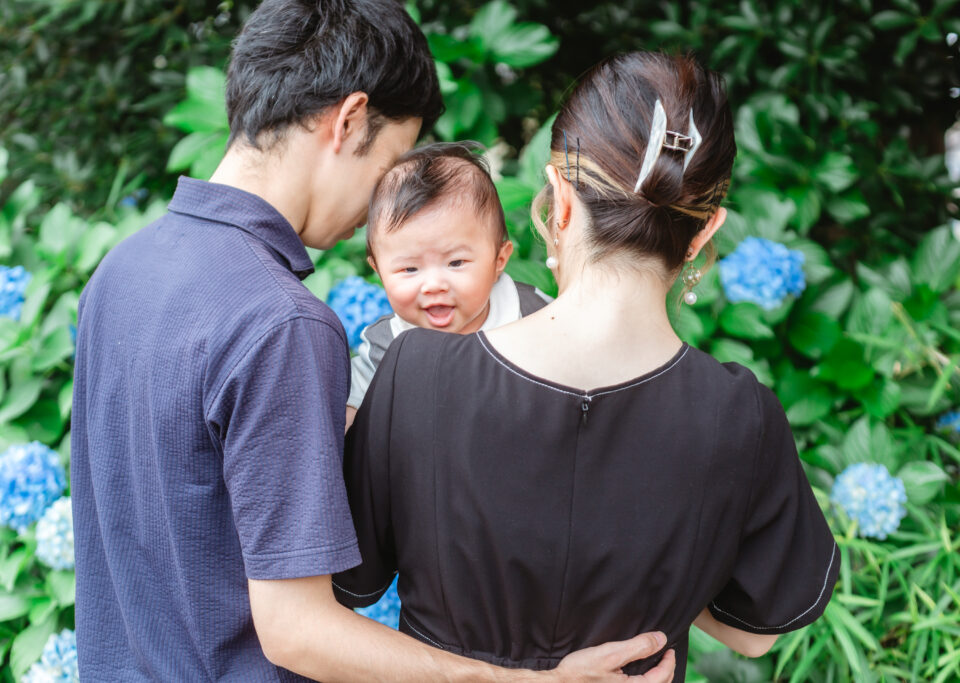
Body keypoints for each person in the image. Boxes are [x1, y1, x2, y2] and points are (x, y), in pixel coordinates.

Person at [71, 0, 675, 680]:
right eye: (390, 161)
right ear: (350, 119)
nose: (376, 207)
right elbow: (297, 632)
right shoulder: (281, 323)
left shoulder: (121, 271)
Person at [333, 51, 840, 682]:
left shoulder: (416, 372)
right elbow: (753, 632)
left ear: (561, 201)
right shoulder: (741, 414)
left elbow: (346, 584)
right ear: (706, 231)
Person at [347, 142, 552, 426]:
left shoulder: (535, 314)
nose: (433, 285)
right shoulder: (384, 345)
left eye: (456, 263)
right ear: (379, 271)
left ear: (498, 260)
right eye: (409, 268)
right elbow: (349, 416)